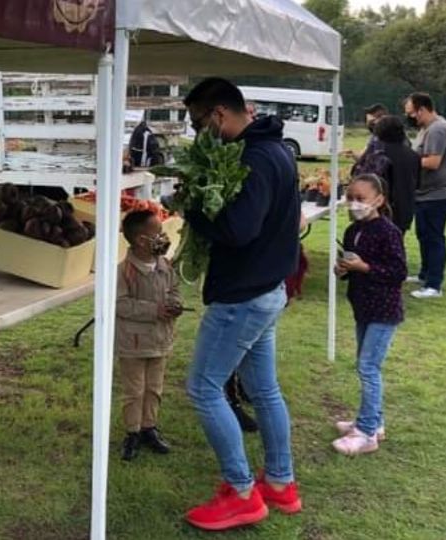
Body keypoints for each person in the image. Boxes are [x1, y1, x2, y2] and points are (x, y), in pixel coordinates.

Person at [180, 78, 302, 531]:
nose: (198, 133)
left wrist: (191, 208)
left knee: (203, 388)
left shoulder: (254, 158)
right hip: (268, 288)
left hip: (244, 295)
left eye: (197, 123)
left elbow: (237, 230)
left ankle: (242, 492)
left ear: (218, 115)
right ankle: (280, 483)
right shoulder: (277, 151)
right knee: (265, 390)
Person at [333, 174, 407, 455]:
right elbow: (352, 266)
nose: (354, 203)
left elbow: (398, 272)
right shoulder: (353, 231)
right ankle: (375, 422)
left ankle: (365, 432)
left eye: (361, 198)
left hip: (383, 310)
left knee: (368, 368)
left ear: (379, 200)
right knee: (365, 364)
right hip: (362, 307)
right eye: (350, 197)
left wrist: (364, 268)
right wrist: (343, 270)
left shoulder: (388, 232)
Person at [115, 210, 181, 461]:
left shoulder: (165, 265)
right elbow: (119, 304)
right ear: (141, 240)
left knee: (154, 388)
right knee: (135, 390)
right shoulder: (124, 271)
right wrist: (154, 310)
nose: (164, 237)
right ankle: (132, 432)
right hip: (133, 343)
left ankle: (149, 428)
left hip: (160, 340)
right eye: (159, 233)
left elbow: (174, 290)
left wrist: (174, 305)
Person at [404, 92, 446, 299]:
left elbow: (433, 162)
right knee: (424, 235)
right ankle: (424, 274)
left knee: (434, 238)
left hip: (439, 194)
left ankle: (434, 285)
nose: (410, 118)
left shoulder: (437, 129)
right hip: (425, 193)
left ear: (422, 109)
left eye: (412, 114)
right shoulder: (426, 128)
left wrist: (407, 161)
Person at [374, 115, 421, 235]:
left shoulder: (379, 155)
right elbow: (418, 183)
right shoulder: (414, 156)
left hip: (382, 209)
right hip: (405, 208)